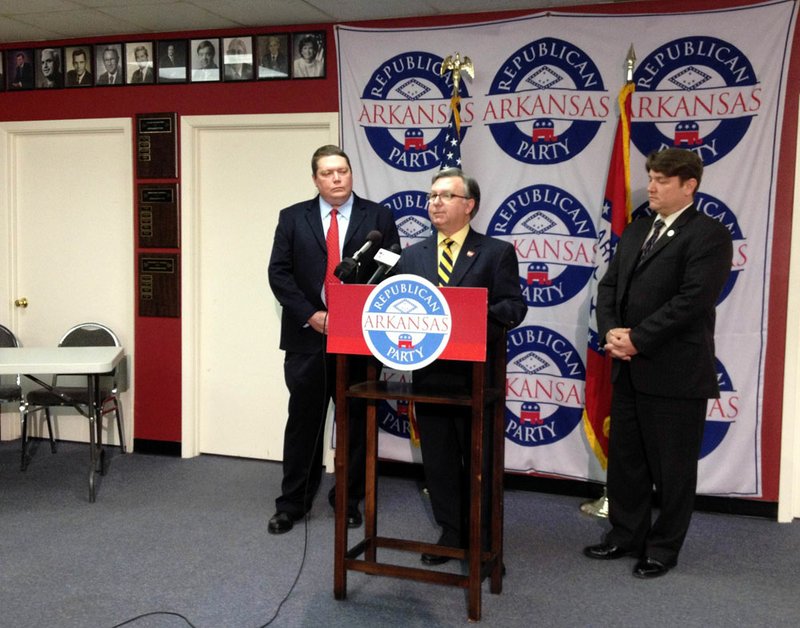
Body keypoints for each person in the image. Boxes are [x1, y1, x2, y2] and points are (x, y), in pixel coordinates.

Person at [583, 148, 733, 578]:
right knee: (627, 460)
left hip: (675, 372)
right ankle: (625, 536)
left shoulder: (709, 235)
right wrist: (612, 331)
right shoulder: (637, 229)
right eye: (651, 176)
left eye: (663, 180)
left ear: (689, 186)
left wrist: (638, 339)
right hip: (627, 367)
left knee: (673, 469)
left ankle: (663, 547)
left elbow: (692, 300)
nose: (651, 186)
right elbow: (610, 286)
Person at [394, 167, 527, 564]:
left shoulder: (496, 252)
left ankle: (485, 537)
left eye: (445, 196)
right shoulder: (411, 255)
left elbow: (513, 307)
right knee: (439, 459)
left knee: (479, 458)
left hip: (475, 377)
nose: (435, 202)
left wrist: (472, 316)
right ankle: (452, 532)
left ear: (469, 206)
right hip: (430, 374)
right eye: (432, 195)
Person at [266, 145, 400, 535]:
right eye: (328, 173)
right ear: (315, 179)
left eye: (342, 170)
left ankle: (349, 497)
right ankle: (292, 503)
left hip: (358, 339)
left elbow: (391, 269)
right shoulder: (293, 218)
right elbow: (279, 274)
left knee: (355, 421)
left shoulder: (378, 217)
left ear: (351, 174)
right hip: (308, 337)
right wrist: (312, 314)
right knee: (303, 422)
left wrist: (357, 314)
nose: (337, 178)